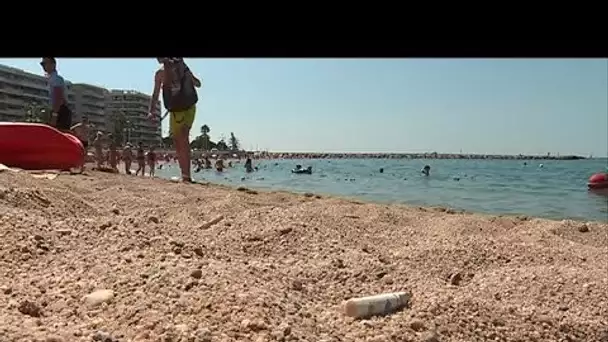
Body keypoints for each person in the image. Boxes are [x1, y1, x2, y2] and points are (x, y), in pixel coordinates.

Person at [148, 58, 201, 183]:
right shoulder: (159, 74)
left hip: (188, 107)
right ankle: (184, 175)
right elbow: (155, 94)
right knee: (177, 143)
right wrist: (150, 111)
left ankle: (187, 176)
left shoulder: (182, 68)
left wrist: (189, 77)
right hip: (174, 112)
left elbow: (198, 84)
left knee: (183, 135)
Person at [40, 58, 72, 132]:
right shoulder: (51, 79)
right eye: (42, 64)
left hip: (60, 110)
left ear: (53, 64)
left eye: (45, 63)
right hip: (57, 110)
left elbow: (58, 97)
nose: (43, 66)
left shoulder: (56, 79)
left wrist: (55, 115)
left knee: (60, 134)